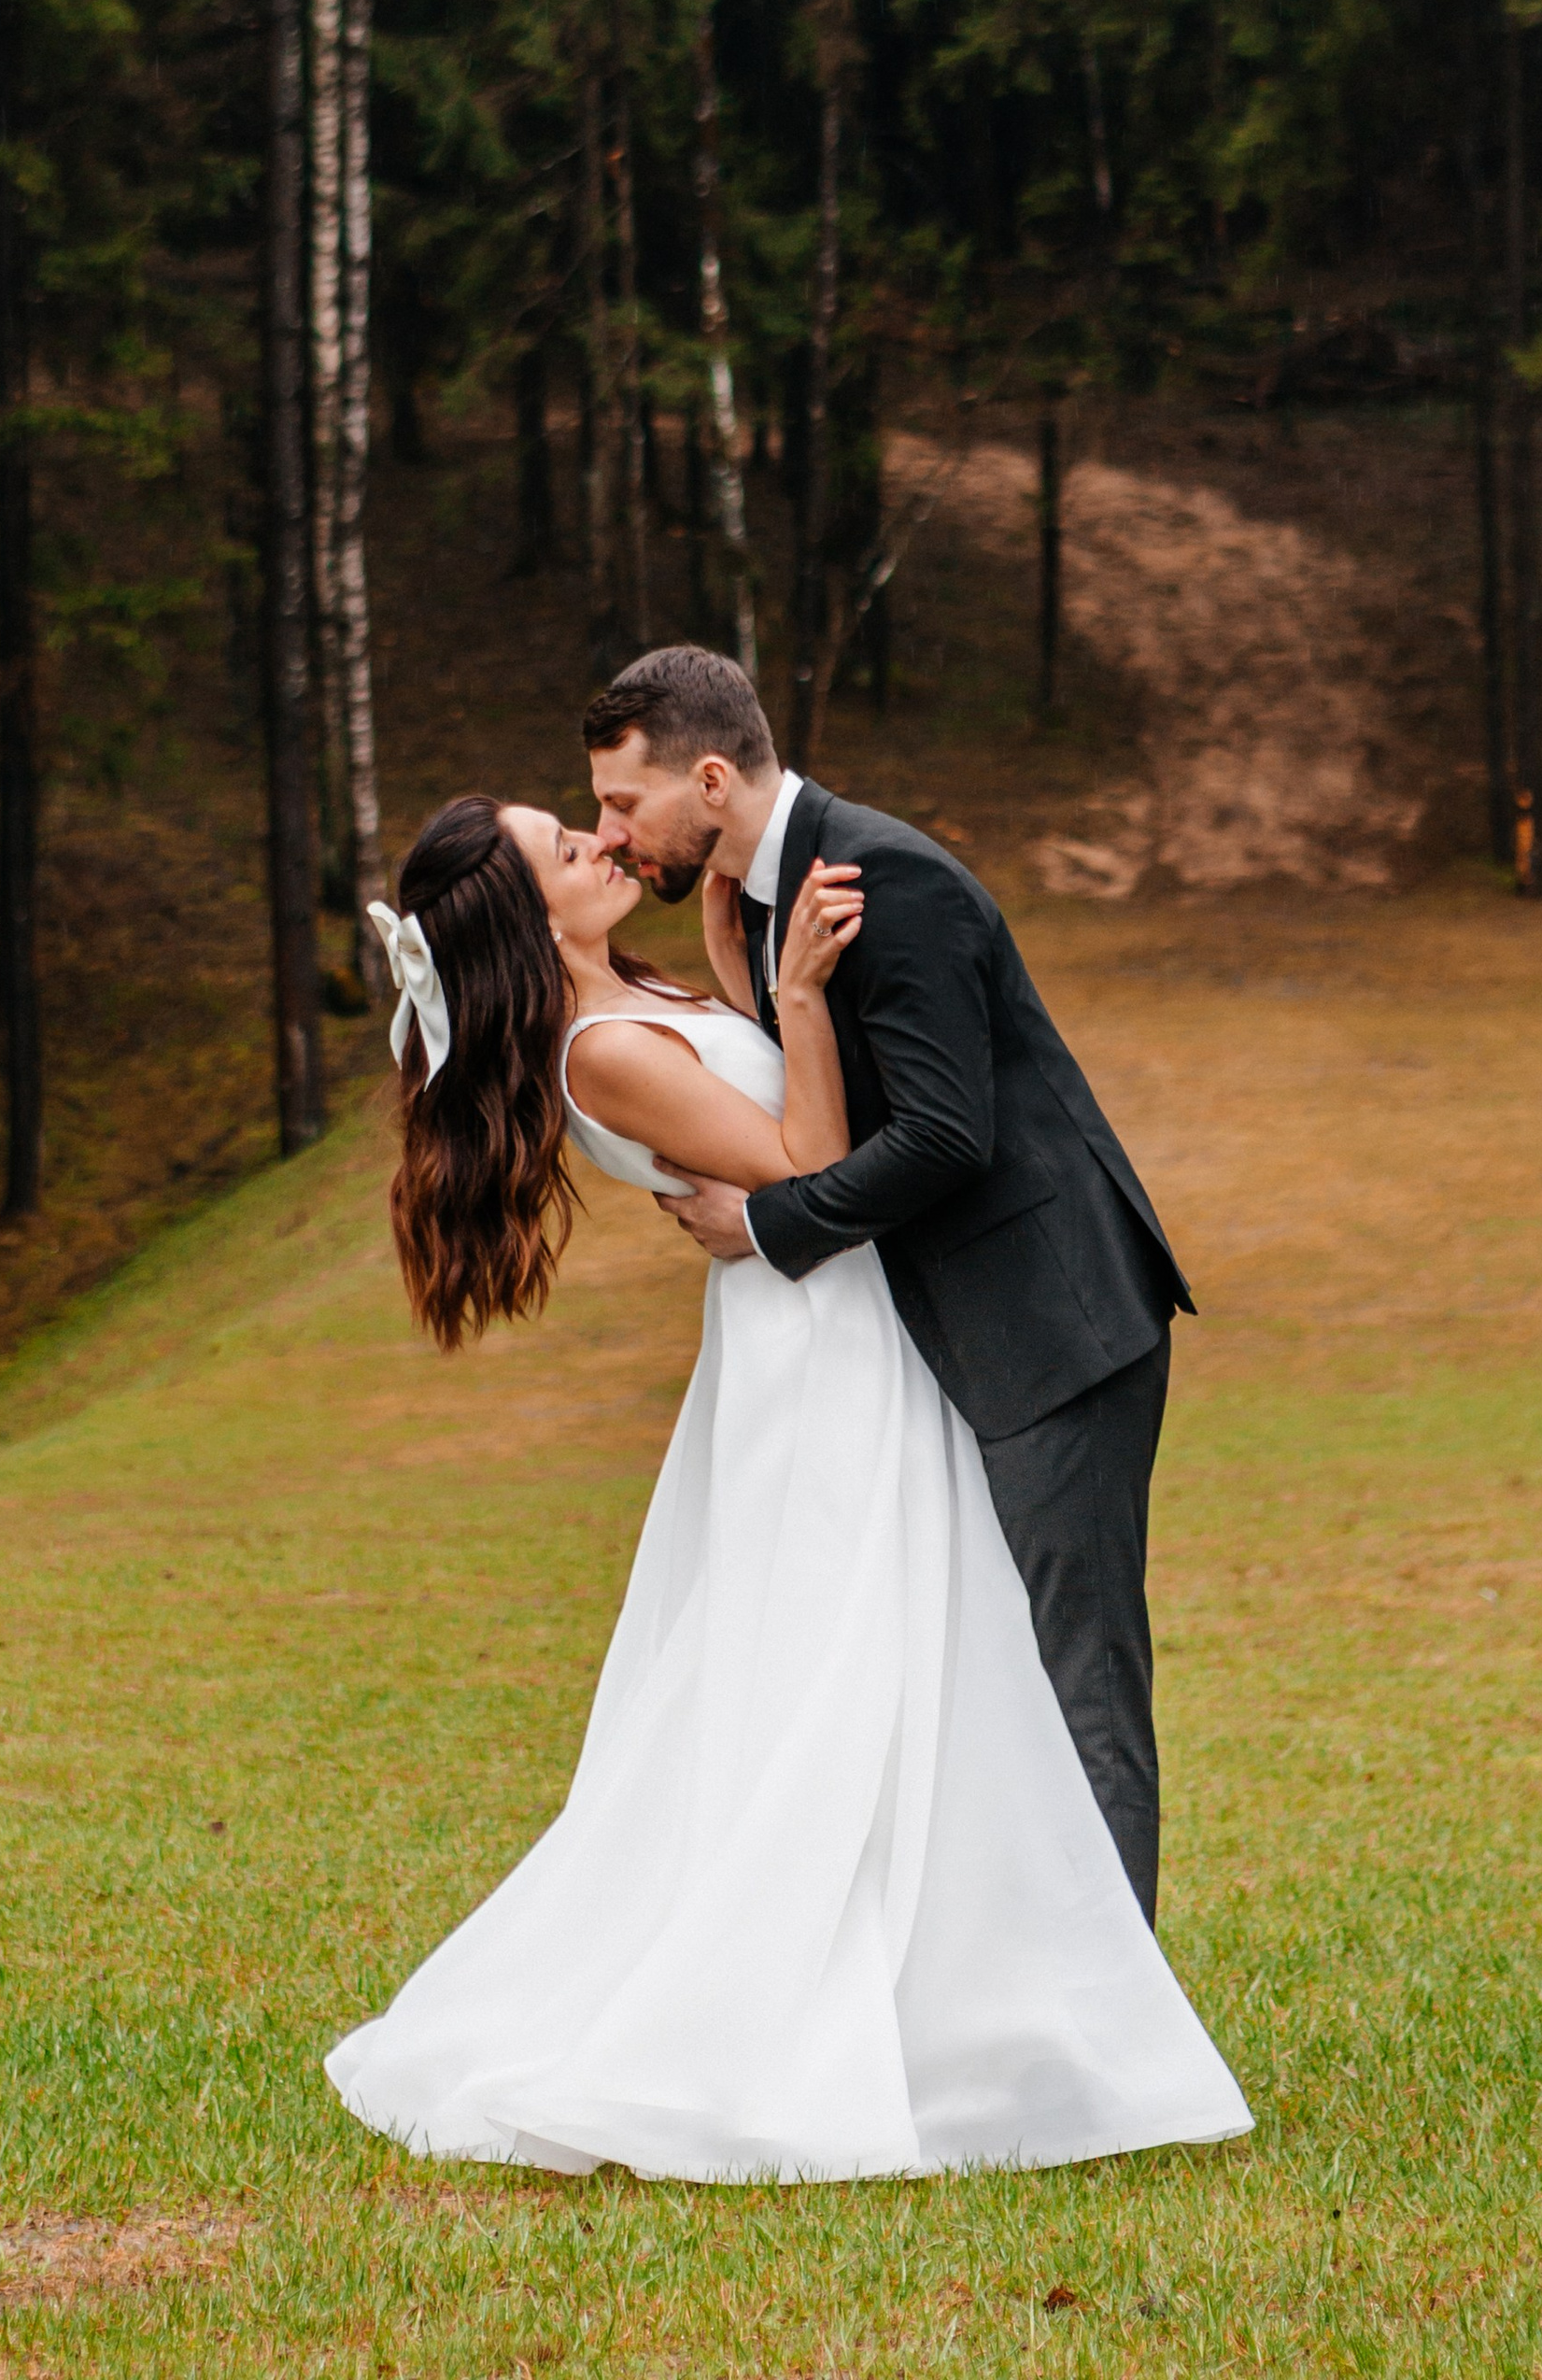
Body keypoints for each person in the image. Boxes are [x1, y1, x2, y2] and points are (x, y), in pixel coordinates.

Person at [322, 772, 1248, 2185]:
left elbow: (772, 1140)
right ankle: (813, 2012)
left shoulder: (633, 995)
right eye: (566, 847)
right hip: (819, 1358)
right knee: (838, 1670)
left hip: (839, 1323)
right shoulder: (598, 1051)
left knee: (904, 1664)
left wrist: (738, 975)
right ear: (524, 912)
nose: (599, 842)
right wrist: (803, 998)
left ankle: (979, 1999)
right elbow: (812, 1153)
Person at [586, 644, 1192, 1923]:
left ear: (708, 778)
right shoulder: (757, 899)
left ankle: (1122, 2035)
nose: (611, 833)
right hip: (952, 1336)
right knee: (993, 1685)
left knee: (1071, 1683)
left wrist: (769, 1221)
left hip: (1051, 1321)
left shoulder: (882, 879)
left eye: (622, 805)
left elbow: (942, 1136)